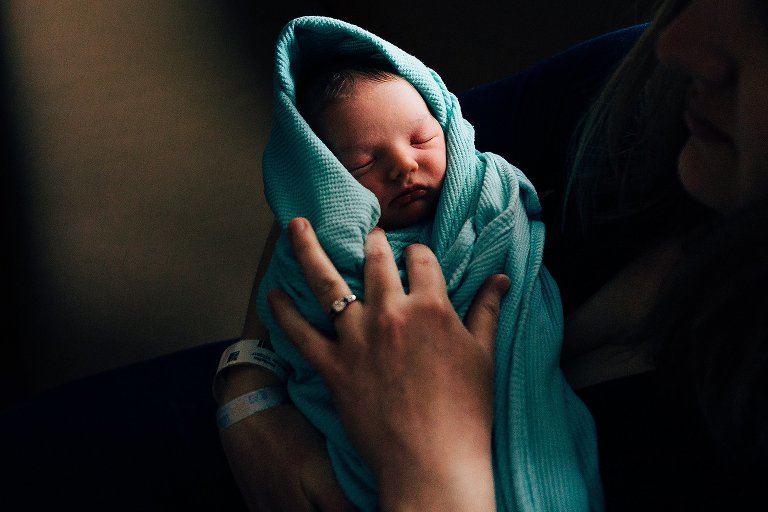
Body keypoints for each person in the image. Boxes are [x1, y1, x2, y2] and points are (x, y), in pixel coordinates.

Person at [219, 0, 768, 509]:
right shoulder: (654, 95)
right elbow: (321, 159)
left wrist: (428, 466)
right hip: (285, 418)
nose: (673, 42)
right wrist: (248, 394)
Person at [214, 15, 601, 511]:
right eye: (361, 164)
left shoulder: (489, 196)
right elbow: (298, 266)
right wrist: (248, 391)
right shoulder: (328, 238)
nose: (403, 164)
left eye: (421, 140)